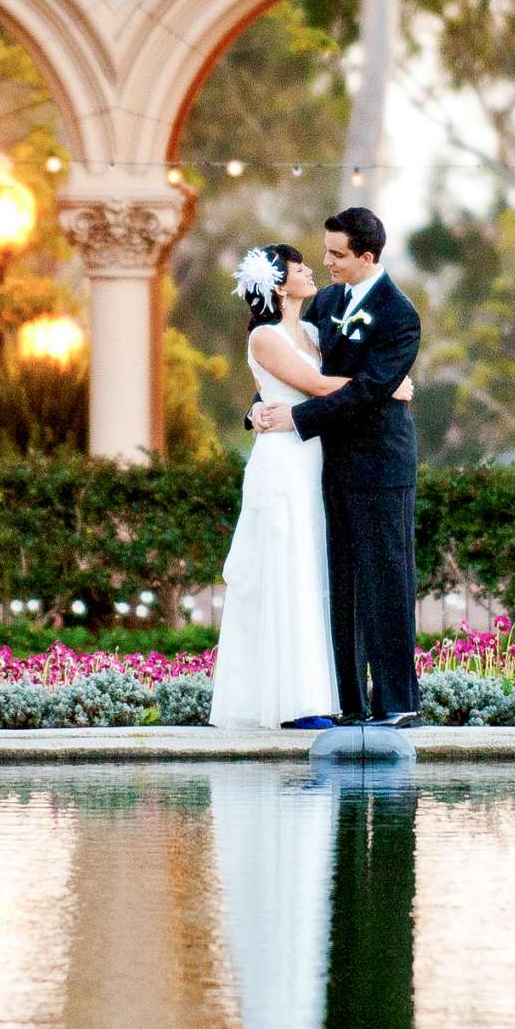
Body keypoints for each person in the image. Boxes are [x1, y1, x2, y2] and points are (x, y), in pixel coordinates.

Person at [209, 242, 414, 729]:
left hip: (314, 459)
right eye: (302, 267)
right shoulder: (265, 335)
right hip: (282, 461)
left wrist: (260, 407)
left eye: (328, 257)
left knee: (311, 573)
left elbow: (323, 372)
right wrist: (388, 385)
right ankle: (290, 704)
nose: (316, 270)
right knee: (286, 569)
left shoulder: (311, 323)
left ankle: (317, 696)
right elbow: (317, 386)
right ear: (280, 285)